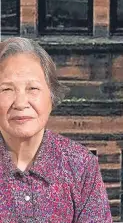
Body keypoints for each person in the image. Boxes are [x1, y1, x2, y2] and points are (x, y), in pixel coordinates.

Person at [0, 37, 112, 223]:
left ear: (51, 97)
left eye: (33, 88)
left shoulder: (81, 166)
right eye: (7, 90)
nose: (20, 103)